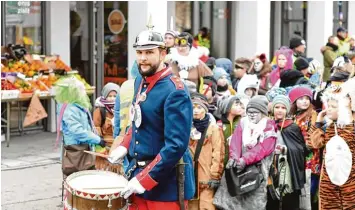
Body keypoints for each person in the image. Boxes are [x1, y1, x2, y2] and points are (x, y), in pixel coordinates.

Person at [108, 23, 194, 210]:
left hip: (165, 187)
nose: (143, 58)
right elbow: (138, 122)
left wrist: (145, 180)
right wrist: (124, 146)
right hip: (138, 180)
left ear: (163, 54)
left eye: (149, 52)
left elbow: (176, 146)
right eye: (139, 53)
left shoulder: (175, 91)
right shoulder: (140, 80)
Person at [214, 95, 277, 210]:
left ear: (263, 112)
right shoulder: (243, 123)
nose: (252, 114)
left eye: (256, 112)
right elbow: (235, 142)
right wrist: (234, 158)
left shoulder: (269, 127)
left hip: (257, 172)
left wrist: (245, 159)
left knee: (253, 204)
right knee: (232, 201)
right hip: (237, 168)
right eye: (249, 111)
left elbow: (263, 148)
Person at [309, 82, 355, 210]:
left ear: (342, 108)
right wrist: (318, 121)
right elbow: (314, 144)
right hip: (329, 181)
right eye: (327, 105)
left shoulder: (351, 127)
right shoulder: (328, 127)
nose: (328, 109)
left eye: (333, 106)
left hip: (350, 181)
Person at [55, 76, 105, 176]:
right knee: (76, 178)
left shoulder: (76, 106)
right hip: (75, 148)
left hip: (82, 147)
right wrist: (97, 140)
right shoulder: (70, 109)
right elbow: (78, 131)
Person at [266, 95, 307, 210]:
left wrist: (286, 150)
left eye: (283, 108)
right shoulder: (268, 125)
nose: (280, 110)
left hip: (287, 167)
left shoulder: (292, 127)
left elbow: (300, 150)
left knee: (289, 198)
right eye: (277, 107)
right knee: (271, 198)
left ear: (287, 110)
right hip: (271, 167)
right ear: (272, 108)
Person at [189, 93, 225, 210]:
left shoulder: (213, 129)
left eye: (199, 107)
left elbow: (218, 153)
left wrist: (215, 176)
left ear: (205, 109)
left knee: (207, 206)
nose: (195, 111)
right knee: (190, 206)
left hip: (207, 177)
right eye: (193, 107)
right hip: (190, 176)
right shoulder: (186, 128)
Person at [93, 82, 121, 172]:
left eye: (115, 96)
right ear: (105, 96)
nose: (112, 98)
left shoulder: (122, 109)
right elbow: (96, 131)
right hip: (104, 149)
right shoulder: (100, 110)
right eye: (110, 96)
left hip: (118, 148)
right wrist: (100, 148)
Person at [216, 95, 249, 167]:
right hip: (222, 163)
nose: (239, 106)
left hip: (239, 163)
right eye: (236, 104)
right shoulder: (219, 125)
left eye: (240, 104)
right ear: (227, 108)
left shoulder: (244, 122)